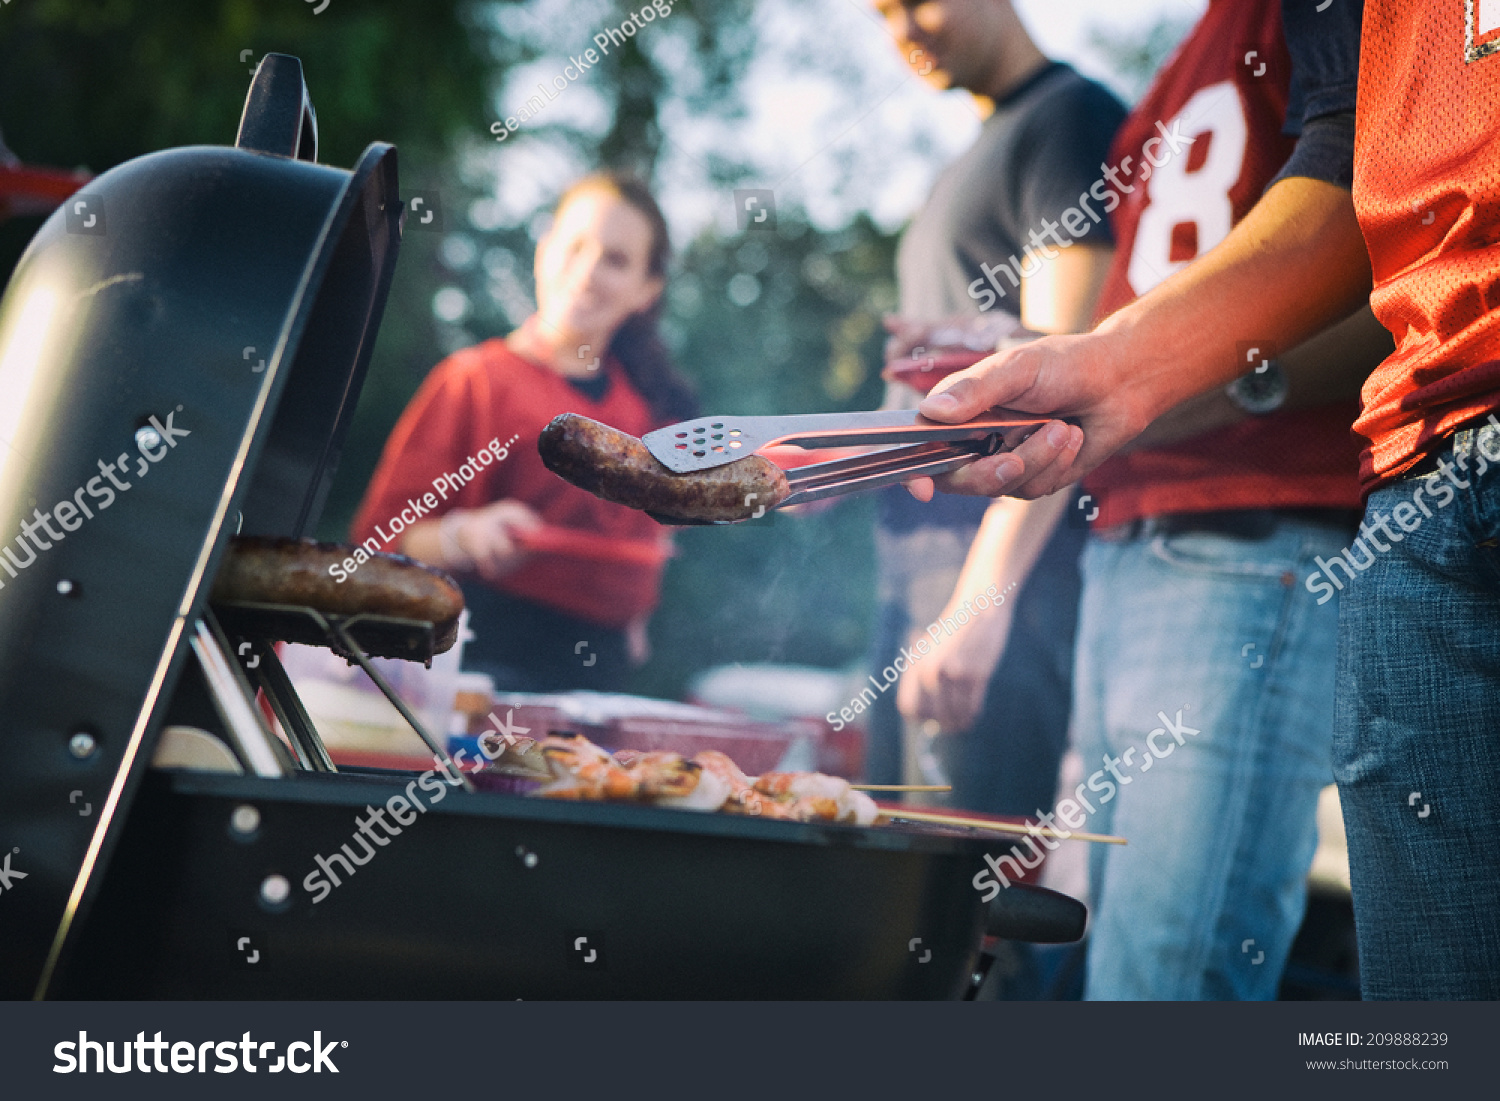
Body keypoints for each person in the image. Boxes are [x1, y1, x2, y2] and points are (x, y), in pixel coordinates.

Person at [910, 0, 1500, 1000]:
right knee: (1143, 964)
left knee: (1166, 975)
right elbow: (1353, 167)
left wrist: (1199, 389)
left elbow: (1378, 241)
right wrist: (1115, 370)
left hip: (1256, 530)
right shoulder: (1196, 64)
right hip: (1211, 516)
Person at [866, 0, 1125, 820]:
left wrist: (979, 607)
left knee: (967, 906)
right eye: (881, 12)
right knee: (882, 880)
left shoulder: (1068, 120)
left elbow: (1065, 388)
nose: (903, 28)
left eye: (915, 1)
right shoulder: (973, 151)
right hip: (916, 566)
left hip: (997, 569)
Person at [351, 172, 697, 692]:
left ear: (646, 292)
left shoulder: (650, 414)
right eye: (575, 246)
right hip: (473, 664)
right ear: (543, 251)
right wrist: (462, 534)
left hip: (598, 678)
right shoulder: (474, 381)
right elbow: (374, 542)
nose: (588, 271)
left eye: (617, 260)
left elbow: (651, 545)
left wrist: (636, 610)